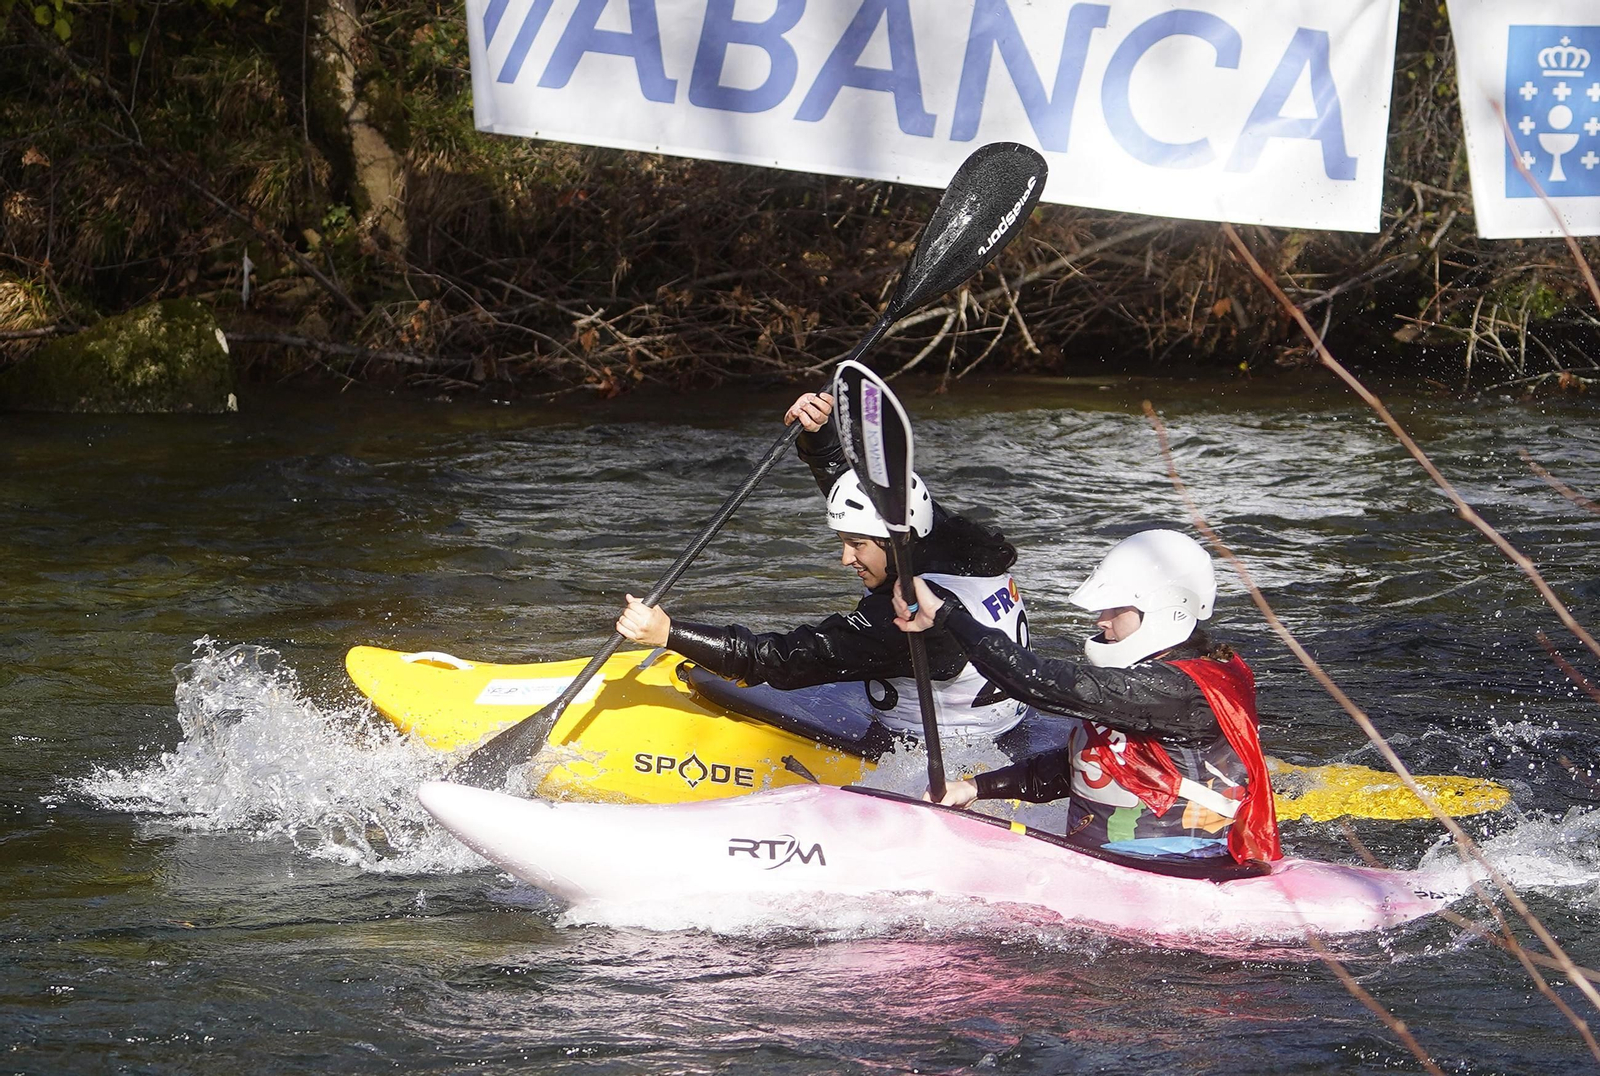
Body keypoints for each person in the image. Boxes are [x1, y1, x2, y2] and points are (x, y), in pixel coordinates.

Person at [614, 391, 1037, 744]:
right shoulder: (953, 539)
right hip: (1006, 721)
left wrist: (665, 633)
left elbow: (777, 659)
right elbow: (864, 496)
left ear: (896, 542)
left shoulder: (906, 621)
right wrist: (822, 439)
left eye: (857, 545)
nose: (846, 558)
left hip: (951, 750)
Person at [893, 528, 1281, 864]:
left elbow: (1042, 683)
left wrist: (946, 617)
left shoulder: (1178, 691)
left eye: (1116, 608)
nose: (1101, 620)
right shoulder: (1157, 683)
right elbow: (1091, 766)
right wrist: (977, 788)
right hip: (1111, 864)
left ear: (1168, 610)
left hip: (1177, 870)